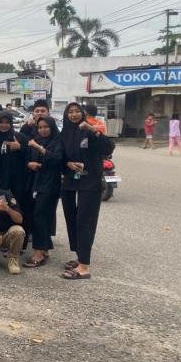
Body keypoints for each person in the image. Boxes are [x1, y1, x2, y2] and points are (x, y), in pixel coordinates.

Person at [59, 102, 115, 280]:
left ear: (83, 114)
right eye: (70, 112)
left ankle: (84, 267)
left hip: (90, 181)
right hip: (69, 180)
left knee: (85, 221)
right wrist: (67, 164)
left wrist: (93, 130)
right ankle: (79, 256)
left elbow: (108, 148)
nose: (74, 115)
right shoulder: (65, 132)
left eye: (77, 112)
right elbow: (59, 154)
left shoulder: (90, 130)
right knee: (72, 218)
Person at [23, 116, 62, 268]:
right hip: (36, 183)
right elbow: (27, 158)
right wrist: (29, 164)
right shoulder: (35, 140)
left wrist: (39, 147)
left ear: (52, 128)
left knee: (40, 216)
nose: (43, 130)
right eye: (40, 127)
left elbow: (56, 159)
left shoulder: (57, 141)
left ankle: (39, 251)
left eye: (46, 127)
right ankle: (45, 249)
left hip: (50, 184)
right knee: (38, 216)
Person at [0, 112, 28, 200]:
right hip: (1, 179)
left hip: (18, 180)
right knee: (2, 203)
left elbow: (29, 154)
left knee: (17, 204)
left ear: (11, 124)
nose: (4, 125)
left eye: (7, 122)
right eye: (1, 122)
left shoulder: (19, 137)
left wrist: (20, 147)